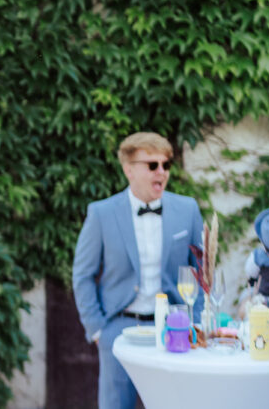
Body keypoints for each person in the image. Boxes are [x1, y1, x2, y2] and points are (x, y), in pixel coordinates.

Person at [72, 132, 204, 409]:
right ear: (128, 169)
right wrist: (98, 331)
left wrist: (197, 322)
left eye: (166, 165)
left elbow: (200, 271)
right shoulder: (101, 213)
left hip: (174, 328)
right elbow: (82, 275)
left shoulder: (187, 209)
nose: (161, 172)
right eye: (152, 165)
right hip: (119, 330)